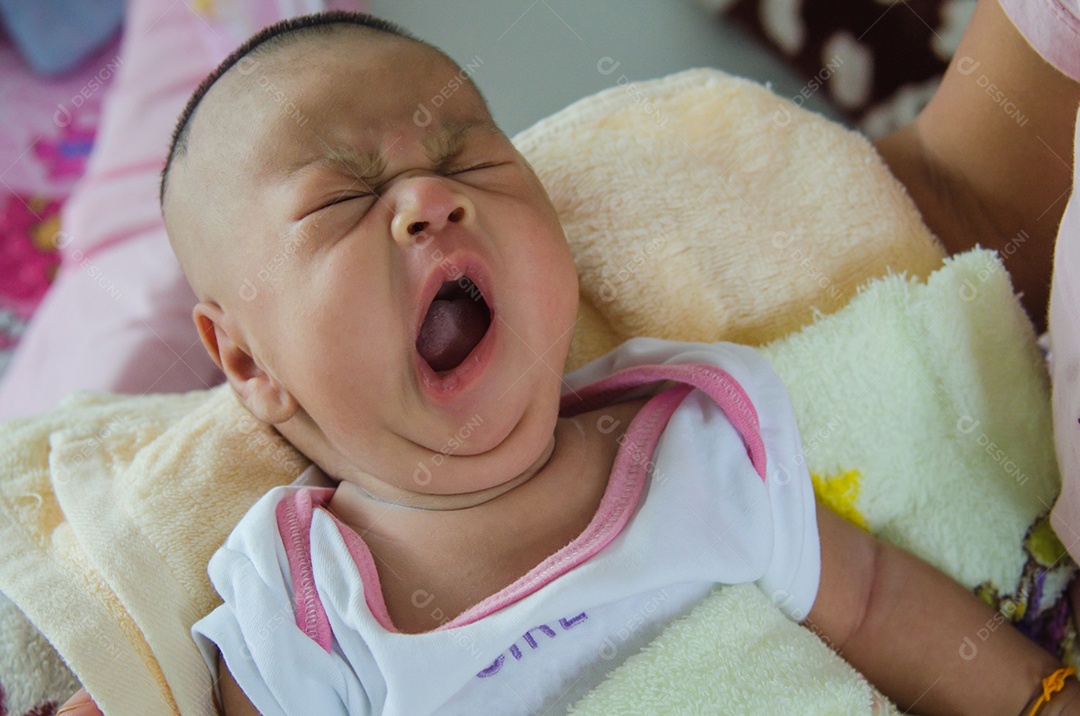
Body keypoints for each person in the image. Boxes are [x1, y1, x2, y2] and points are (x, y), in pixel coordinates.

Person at [56, 3, 1080, 716]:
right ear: (245, 358)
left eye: (469, 158)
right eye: (340, 198)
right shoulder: (305, 605)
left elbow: (866, 601)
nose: (429, 199)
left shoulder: (691, 438)